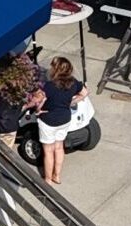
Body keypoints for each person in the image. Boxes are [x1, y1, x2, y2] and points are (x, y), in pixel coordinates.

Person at [34, 55, 95, 185]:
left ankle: (48, 179)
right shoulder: (73, 83)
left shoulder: (48, 86)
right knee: (59, 147)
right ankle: (57, 176)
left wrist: (38, 110)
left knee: (48, 150)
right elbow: (85, 93)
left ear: (55, 70)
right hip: (65, 119)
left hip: (49, 120)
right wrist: (72, 102)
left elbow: (37, 100)